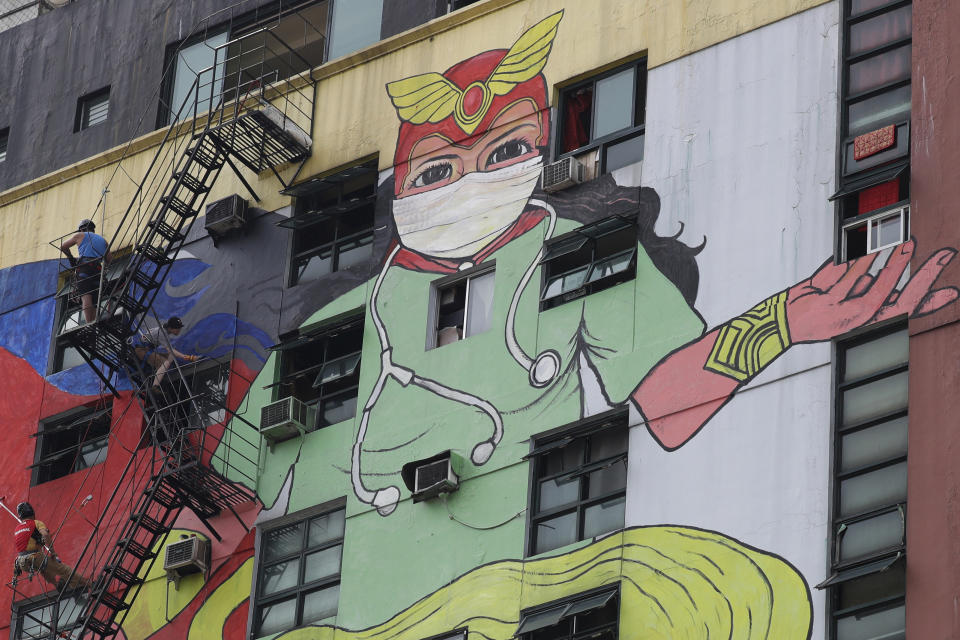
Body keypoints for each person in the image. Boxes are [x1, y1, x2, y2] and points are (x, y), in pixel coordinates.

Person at [12, 502, 89, 590]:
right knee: (64, 570)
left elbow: (25, 543)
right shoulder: (36, 523)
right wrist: (53, 552)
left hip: (22, 563)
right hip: (35, 557)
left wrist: (39, 542)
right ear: (32, 513)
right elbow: (45, 534)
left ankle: (57, 585)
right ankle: (89, 584)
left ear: (20, 516)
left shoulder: (17, 528)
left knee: (44, 569)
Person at [59, 219, 111, 324]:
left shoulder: (80, 235)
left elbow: (63, 247)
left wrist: (71, 258)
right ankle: (95, 322)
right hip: (97, 270)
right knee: (95, 299)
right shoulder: (103, 241)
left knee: (86, 296)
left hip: (84, 268)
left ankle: (88, 323)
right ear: (93, 229)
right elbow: (109, 260)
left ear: (82, 229)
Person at [131, 316, 198, 391]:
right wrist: (188, 357)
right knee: (165, 363)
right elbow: (170, 350)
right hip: (142, 350)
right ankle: (155, 386)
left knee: (170, 357)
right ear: (170, 328)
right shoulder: (163, 333)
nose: (179, 330)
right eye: (178, 328)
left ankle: (160, 371)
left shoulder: (163, 330)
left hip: (147, 349)